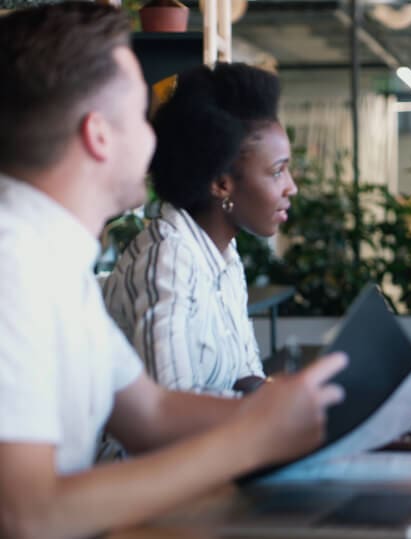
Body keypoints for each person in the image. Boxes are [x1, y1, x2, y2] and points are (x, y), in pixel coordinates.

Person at [0, 5, 411, 536]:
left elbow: (151, 413)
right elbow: (27, 514)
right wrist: (253, 438)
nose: (155, 141)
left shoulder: (51, 259)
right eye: (140, 117)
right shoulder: (15, 267)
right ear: (99, 135)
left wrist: (331, 398)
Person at [103, 62, 292, 395]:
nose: (291, 187)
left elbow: (245, 373)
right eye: (278, 172)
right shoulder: (168, 260)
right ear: (221, 184)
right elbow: (172, 406)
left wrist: (292, 397)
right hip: (156, 448)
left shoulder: (225, 255)